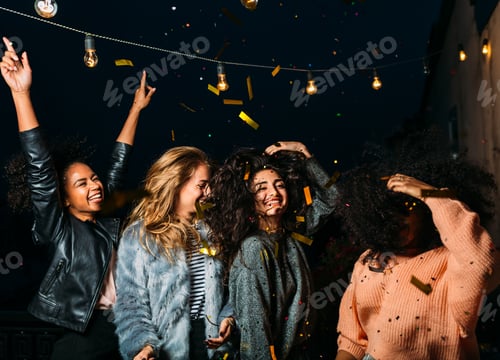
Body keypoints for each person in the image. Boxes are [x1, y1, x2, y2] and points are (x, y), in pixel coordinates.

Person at [0, 36, 156, 359]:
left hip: (122, 327)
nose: (95, 185)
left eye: (94, 178)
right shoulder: (58, 227)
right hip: (81, 334)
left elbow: (118, 163)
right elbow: (40, 168)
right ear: (65, 198)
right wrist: (20, 93)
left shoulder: (106, 223)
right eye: (82, 183)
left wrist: (136, 108)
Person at [333, 129, 498, 360]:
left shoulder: (449, 262)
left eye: (409, 208)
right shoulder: (368, 261)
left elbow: (479, 262)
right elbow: (352, 340)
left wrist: (429, 194)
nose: (398, 219)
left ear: (427, 212)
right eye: (389, 211)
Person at [204, 141, 339, 359]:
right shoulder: (254, 248)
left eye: (279, 184)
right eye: (261, 188)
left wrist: (304, 153)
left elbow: (332, 199)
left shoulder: (291, 232)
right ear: (247, 199)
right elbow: (255, 331)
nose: (273, 192)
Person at [112, 146, 236, 360]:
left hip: (213, 346)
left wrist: (229, 318)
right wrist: (143, 345)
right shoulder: (139, 236)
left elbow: (234, 287)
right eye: (202, 185)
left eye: (210, 186)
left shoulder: (215, 231)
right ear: (176, 183)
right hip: (164, 347)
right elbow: (130, 302)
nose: (209, 193)